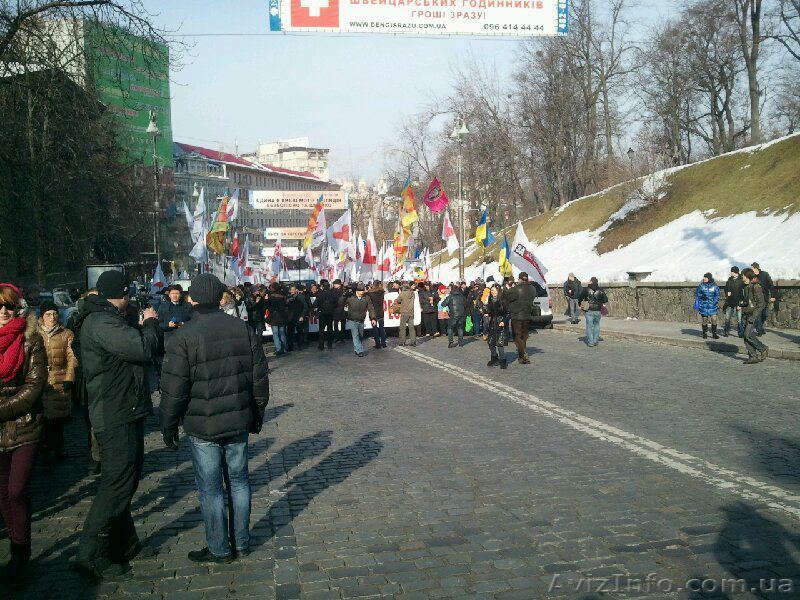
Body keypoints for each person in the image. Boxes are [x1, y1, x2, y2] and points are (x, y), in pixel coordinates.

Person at [160, 274, 269, 564]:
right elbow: (260, 381)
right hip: (237, 420)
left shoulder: (184, 335)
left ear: (193, 299)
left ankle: (220, 547)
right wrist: (257, 415)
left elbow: (174, 388)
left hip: (203, 426)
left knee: (211, 489)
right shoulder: (243, 329)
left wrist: (168, 424)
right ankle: (242, 541)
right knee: (239, 482)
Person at [72, 270, 162, 580]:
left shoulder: (105, 317)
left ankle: (124, 543)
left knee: (127, 476)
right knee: (116, 482)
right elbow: (142, 348)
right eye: (127, 295)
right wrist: (150, 322)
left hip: (124, 406)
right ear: (119, 295)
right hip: (115, 412)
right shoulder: (101, 321)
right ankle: (90, 553)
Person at [0, 283, 47, 585]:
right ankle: (15, 548)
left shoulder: (31, 340)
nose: (4, 313)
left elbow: (33, 387)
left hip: (25, 424)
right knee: (2, 494)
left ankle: (21, 553)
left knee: (17, 490)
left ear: (19, 310)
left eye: (9, 307)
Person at [37, 300, 77, 465]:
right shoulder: (35, 334)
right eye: (48, 314)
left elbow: (71, 358)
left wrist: (69, 377)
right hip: (40, 381)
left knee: (57, 420)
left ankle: (58, 448)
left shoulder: (66, 333)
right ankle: (45, 449)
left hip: (59, 380)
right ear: (42, 316)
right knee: (42, 419)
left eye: (54, 313)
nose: (52, 317)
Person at [503, 273, 537, 363]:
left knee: (517, 336)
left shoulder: (516, 289)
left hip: (516, 315)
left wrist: (508, 289)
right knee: (524, 336)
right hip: (527, 315)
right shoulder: (533, 288)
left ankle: (523, 355)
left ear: (520, 279)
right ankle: (521, 356)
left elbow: (507, 297)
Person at [740, 268, 769, 364]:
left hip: (752, 315)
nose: (742, 277)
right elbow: (749, 302)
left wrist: (754, 316)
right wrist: (742, 304)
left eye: (742, 275)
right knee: (746, 337)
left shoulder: (756, 287)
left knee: (747, 335)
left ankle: (763, 348)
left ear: (747, 276)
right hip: (745, 313)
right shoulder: (746, 287)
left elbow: (761, 304)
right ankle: (753, 356)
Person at [340, 283, 377, 357]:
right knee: (355, 335)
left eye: (363, 290)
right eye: (360, 291)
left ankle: (357, 348)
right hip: (352, 319)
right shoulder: (350, 297)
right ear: (357, 291)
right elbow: (340, 303)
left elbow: (371, 308)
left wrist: (373, 318)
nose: (362, 292)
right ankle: (359, 350)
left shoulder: (366, 297)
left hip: (361, 320)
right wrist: (344, 295)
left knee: (360, 336)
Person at [483, 285, 510, 369]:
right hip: (492, 323)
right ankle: (494, 358)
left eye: (494, 291)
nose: (493, 292)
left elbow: (508, 313)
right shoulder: (490, 300)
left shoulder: (503, 300)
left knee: (500, 343)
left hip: (500, 323)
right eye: (491, 291)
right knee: (490, 343)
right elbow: (491, 311)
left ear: (498, 291)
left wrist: (504, 321)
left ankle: (503, 360)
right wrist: (486, 312)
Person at [578, 277, 608, 348]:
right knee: (596, 325)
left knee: (589, 326)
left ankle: (591, 342)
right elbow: (605, 299)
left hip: (589, 310)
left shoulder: (585, 289)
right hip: (598, 310)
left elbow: (580, 298)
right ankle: (595, 341)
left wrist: (580, 304)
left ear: (591, 282)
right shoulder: (600, 290)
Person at [750, 262, 775, 336]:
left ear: (756, 268)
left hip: (765, 297)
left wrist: (773, 296)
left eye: (752, 268)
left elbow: (771, 285)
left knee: (765, 314)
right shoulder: (752, 276)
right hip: (756, 299)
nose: (751, 270)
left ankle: (760, 327)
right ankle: (759, 330)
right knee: (758, 314)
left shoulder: (765, 274)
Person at [694, 272, 721, 339]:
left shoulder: (715, 286)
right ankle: (704, 333)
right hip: (704, 305)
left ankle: (714, 333)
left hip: (712, 305)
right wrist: (700, 300)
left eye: (705, 277)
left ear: (709, 278)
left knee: (714, 319)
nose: (704, 278)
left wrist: (714, 302)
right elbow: (697, 294)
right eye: (704, 277)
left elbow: (717, 295)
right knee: (704, 319)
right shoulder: (701, 285)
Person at [265, 284, 289, 356]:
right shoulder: (283, 295)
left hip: (274, 317)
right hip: (282, 316)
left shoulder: (270, 296)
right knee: (282, 333)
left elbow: (268, 306)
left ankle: (278, 349)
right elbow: (286, 305)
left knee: (275, 334)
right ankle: (284, 348)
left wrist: (266, 300)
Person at [442, 284, 467, 348]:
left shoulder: (450, 296)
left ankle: (451, 342)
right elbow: (466, 304)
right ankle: (461, 343)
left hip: (453, 315)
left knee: (450, 328)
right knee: (460, 328)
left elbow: (443, 304)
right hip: (461, 314)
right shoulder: (462, 296)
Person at [722, 267, 744, 338]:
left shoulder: (741, 280)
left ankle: (740, 333)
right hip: (730, 302)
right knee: (727, 318)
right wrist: (727, 293)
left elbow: (743, 293)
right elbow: (726, 289)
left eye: (732, 271)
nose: (731, 273)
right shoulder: (729, 280)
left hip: (738, 302)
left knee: (739, 319)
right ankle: (726, 332)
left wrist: (740, 303)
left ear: (735, 272)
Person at [316, 280, 338, 351]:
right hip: (330, 314)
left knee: (321, 330)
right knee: (330, 330)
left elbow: (317, 303)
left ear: (323, 287)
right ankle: (329, 345)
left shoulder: (320, 293)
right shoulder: (333, 293)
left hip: (322, 314)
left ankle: (321, 346)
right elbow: (336, 303)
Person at [286, 285, 309, 352]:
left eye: (293, 290)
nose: (292, 291)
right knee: (290, 333)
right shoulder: (289, 297)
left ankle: (300, 345)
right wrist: (287, 302)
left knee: (299, 332)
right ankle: (290, 347)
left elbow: (305, 307)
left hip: (298, 317)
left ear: (296, 290)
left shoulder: (301, 297)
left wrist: (302, 316)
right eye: (291, 290)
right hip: (291, 318)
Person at [367, 282, 387, 349]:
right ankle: (383, 343)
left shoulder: (370, 294)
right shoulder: (382, 292)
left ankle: (378, 344)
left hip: (373, 313)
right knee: (382, 328)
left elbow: (367, 293)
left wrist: (369, 289)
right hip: (381, 312)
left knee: (375, 329)